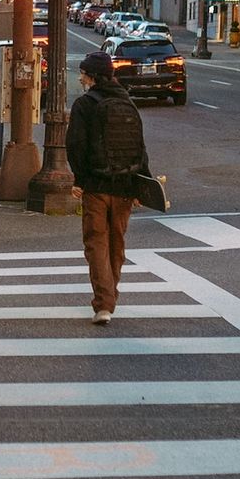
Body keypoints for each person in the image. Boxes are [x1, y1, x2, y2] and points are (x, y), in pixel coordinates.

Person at [66, 51, 145, 326]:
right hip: (125, 185)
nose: (81, 78)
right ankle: (110, 296)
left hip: (97, 187)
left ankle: (104, 303)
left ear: (92, 76)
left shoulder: (85, 105)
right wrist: (140, 186)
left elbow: (76, 146)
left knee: (96, 242)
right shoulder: (128, 102)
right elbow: (139, 146)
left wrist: (79, 180)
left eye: (84, 74)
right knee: (116, 243)